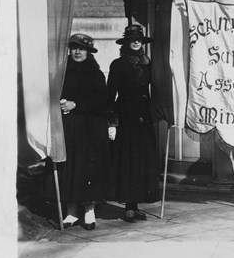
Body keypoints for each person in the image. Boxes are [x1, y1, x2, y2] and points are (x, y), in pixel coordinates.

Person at [46, 33, 109, 230]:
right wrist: (60, 102)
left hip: (90, 130)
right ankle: (71, 212)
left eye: (82, 49)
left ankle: (89, 212)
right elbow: (52, 94)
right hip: (68, 129)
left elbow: (102, 101)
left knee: (87, 169)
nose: (77, 52)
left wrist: (77, 104)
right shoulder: (62, 72)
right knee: (69, 168)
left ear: (89, 52)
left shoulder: (96, 74)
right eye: (74, 48)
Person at [107, 24, 160, 223]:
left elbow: (157, 88)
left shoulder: (148, 64)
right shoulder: (118, 64)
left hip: (144, 117)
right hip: (126, 115)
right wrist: (111, 120)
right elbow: (110, 93)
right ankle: (129, 206)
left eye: (139, 39)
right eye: (132, 39)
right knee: (128, 161)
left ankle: (137, 204)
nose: (136, 42)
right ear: (127, 42)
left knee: (142, 161)